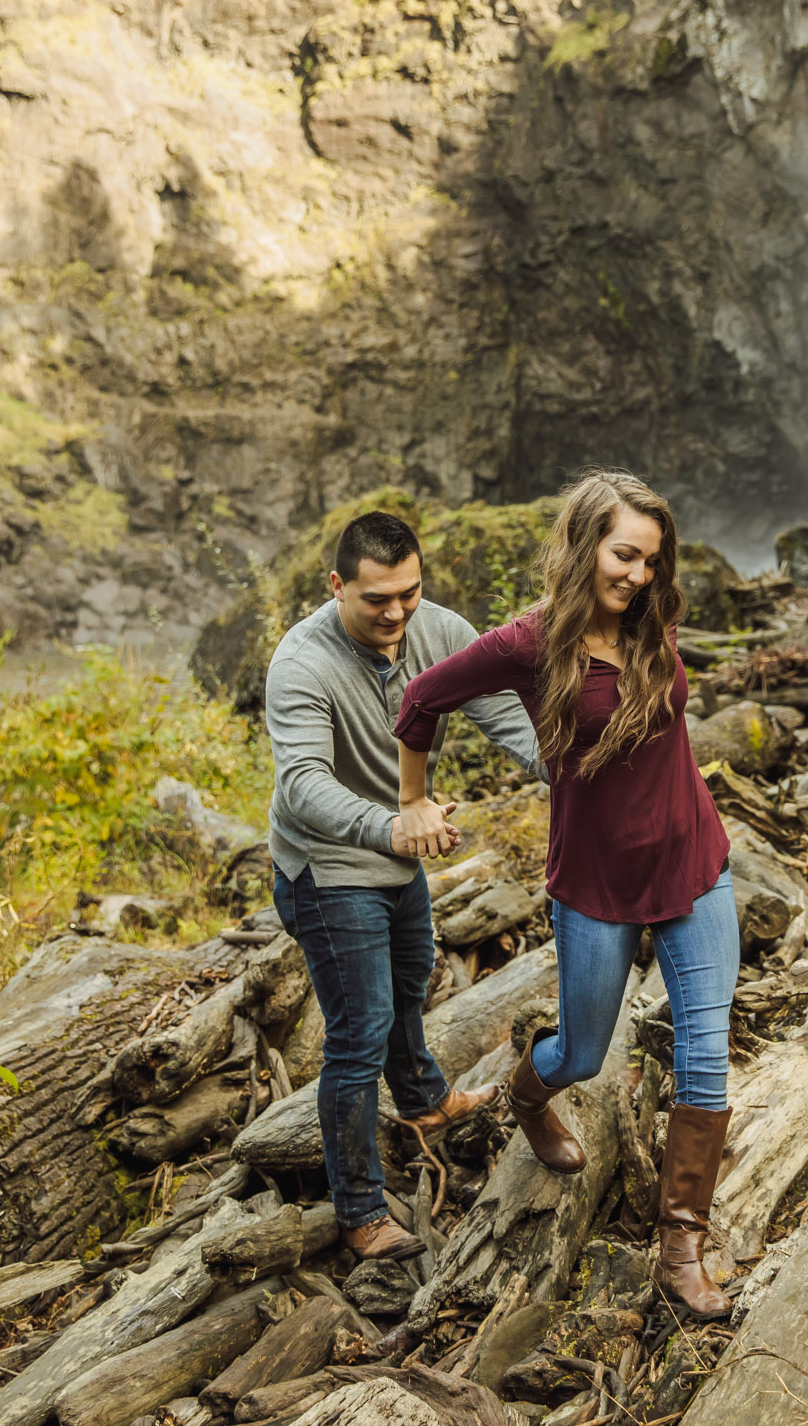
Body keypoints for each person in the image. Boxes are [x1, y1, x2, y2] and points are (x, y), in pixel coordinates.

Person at [392, 470, 740, 1319]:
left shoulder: (651, 622)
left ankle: (681, 1243)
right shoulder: (529, 643)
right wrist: (410, 799)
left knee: (705, 1047)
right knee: (583, 1053)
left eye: (652, 561)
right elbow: (421, 699)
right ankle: (525, 1094)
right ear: (588, 544)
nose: (639, 576)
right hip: (595, 881)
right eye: (626, 554)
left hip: (694, 862)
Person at [266, 509, 542, 1262]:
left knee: (412, 977)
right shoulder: (300, 664)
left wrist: (567, 767)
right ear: (337, 586)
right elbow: (301, 788)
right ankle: (358, 1212)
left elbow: (500, 713)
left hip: (399, 856)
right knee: (358, 1034)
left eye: (408, 594)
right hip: (327, 872)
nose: (396, 614)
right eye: (376, 600)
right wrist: (392, 826)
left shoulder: (440, 631)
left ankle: (423, 1103)